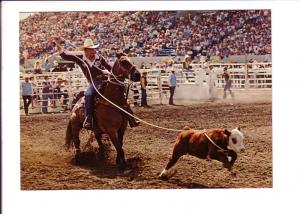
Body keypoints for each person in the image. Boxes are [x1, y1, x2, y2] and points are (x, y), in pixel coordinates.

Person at [55, 37, 139, 129]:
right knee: (88, 94)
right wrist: (58, 44)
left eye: (94, 49)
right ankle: (88, 117)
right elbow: (64, 55)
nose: (93, 51)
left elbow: (108, 66)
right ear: (86, 50)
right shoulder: (80, 57)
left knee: (122, 88)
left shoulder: (98, 57)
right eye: (91, 49)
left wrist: (112, 73)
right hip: (94, 81)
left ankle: (130, 115)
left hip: (106, 78)